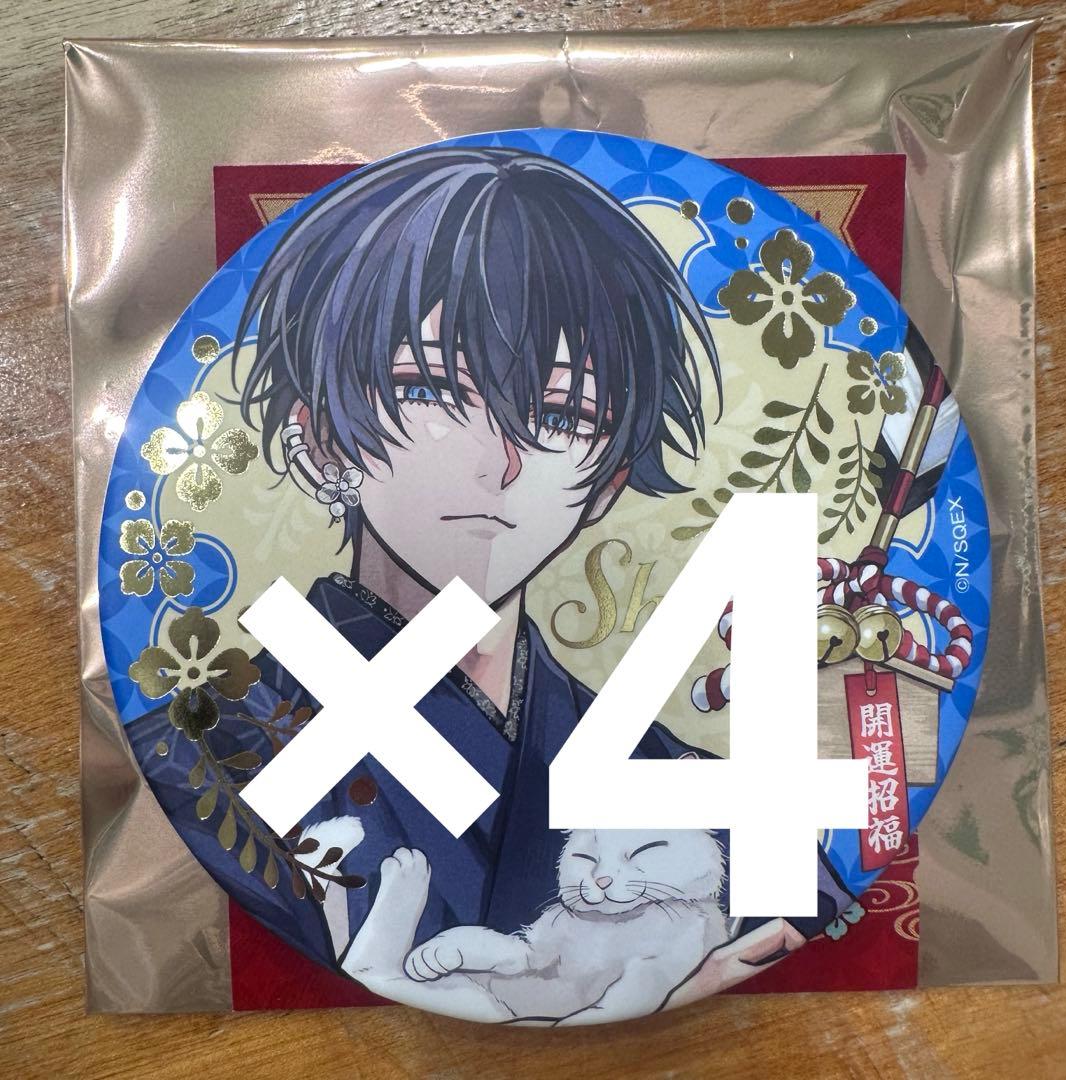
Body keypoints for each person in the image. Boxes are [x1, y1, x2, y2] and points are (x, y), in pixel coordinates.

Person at [125, 146, 854, 1002]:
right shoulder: (203, 754)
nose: (501, 462)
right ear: (320, 437)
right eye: (429, 390)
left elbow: (797, 922)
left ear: (607, 480)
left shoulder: (678, 784)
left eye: (562, 412)